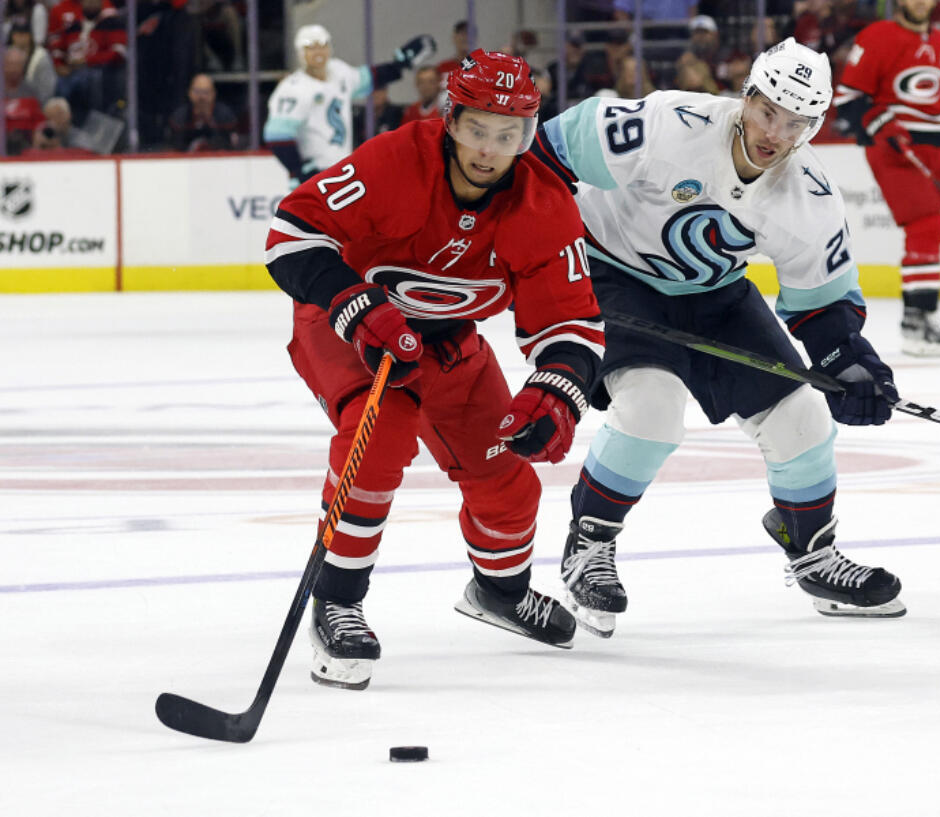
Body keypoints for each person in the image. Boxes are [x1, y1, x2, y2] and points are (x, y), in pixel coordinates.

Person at [531, 37, 905, 638]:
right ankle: (589, 544)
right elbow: (550, 149)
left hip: (714, 294)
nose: (774, 134)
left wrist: (851, 364)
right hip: (612, 272)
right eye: (766, 112)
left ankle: (810, 550)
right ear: (747, 97)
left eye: (796, 122)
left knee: (802, 416)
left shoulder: (809, 193)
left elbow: (824, 303)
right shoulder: (671, 124)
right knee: (651, 409)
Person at [264, 51, 604, 689]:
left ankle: (500, 592)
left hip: (447, 342)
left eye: (510, 136)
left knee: (507, 473)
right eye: (478, 129)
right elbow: (291, 236)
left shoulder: (544, 201)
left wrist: (556, 392)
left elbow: (572, 323)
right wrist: (355, 306)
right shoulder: (395, 160)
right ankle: (337, 599)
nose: (489, 150)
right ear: (451, 119)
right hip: (347, 325)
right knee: (379, 437)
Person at [834, 0, 940, 357]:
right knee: (925, 225)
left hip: (933, 149)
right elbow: (849, 98)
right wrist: (881, 123)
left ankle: (920, 318)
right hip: (894, 148)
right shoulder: (877, 36)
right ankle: (918, 321)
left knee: (932, 225)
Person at [263, 24, 436, 186]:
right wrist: (298, 169)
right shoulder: (292, 88)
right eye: (310, 47)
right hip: (312, 176)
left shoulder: (339, 72)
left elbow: (369, 78)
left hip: (342, 171)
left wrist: (399, 64)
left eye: (322, 45)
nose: (318, 52)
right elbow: (276, 136)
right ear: (300, 53)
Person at [165, 73, 240, 151]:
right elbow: (172, 149)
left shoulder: (225, 117)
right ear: (189, 93)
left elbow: (234, 147)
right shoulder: (179, 118)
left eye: (206, 92)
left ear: (213, 94)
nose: (202, 97)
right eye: (197, 92)